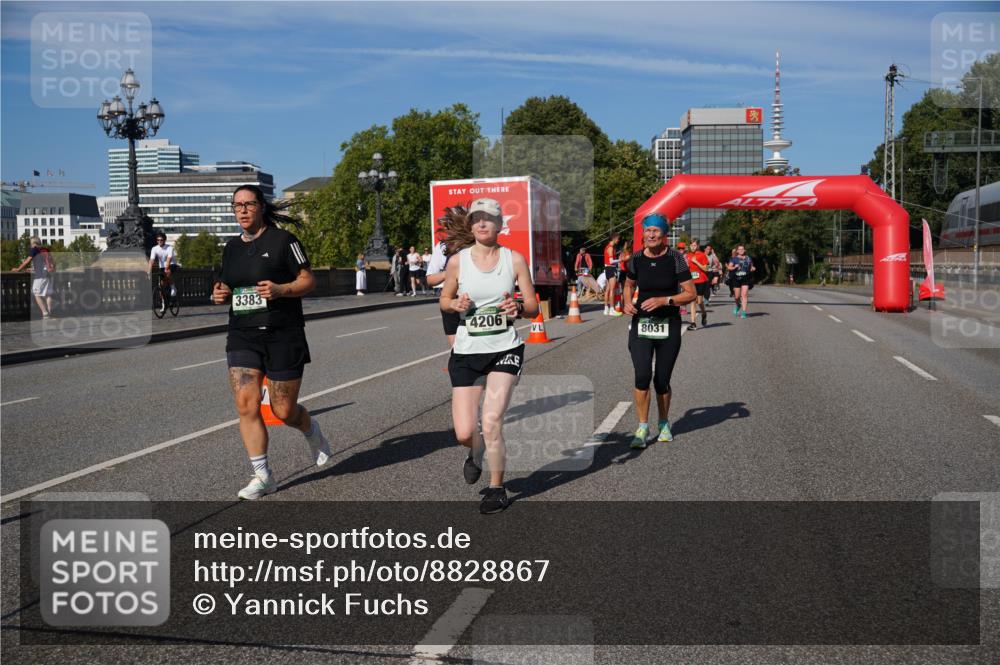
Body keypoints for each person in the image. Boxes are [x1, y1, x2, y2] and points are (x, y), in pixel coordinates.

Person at [211, 185, 331, 500]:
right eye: (237, 205)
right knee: (245, 404)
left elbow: (308, 280)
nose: (242, 210)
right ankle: (263, 476)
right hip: (242, 334)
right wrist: (219, 293)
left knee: (282, 410)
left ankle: (310, 429)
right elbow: (225, 284)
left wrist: (281, 290)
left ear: (261, 207)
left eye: (249, 204)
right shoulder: (231, 247)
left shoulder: (283, 241)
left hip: (282, 333)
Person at [439, 197, 539, 514]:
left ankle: (496, 488)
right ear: (471, 225)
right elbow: (444, 297)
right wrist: (454, 305)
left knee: (492, 419)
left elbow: (535, 307)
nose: (482, 223)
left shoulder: (515, 260)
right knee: (465, 432)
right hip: (467, 351)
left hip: (504, 348)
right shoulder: (458, 261)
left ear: (500, 225)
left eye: (489, 218)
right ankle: (475, 451)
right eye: (477, 218)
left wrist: (519, 308)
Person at [622, 213, 696, 449]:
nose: (651, 235)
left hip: (669, 325)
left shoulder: (676, 259)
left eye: (656, 231)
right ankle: (642, 427)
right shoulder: (635, 259)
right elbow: (628, 284)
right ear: (643, 234)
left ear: (665, 235)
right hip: (642, 323)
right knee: (642, 375)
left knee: (661, 380)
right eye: (648, 231)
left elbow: (691, 293)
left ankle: (663, 423)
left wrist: (665, 300)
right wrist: (626, 302)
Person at [426, 214, 459, 347]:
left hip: (475, 297)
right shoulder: (442, 246)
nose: (447, 230)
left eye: (450, 226)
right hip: (451, 297)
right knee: (456, 347)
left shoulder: (476, 243)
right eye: (446, 227)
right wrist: (449, 273)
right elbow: (430, 279)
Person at [13, 236, 55, 318]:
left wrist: (18, 269)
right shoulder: (45, 250)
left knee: (36, 293)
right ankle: (50, 312)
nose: (30, 245)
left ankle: (45, 313)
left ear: (34, 243)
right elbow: (47, 263)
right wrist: (33, 269)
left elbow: (27, 261)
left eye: (31, 243)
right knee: (48, 294)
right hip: (49, 275)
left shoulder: (34, 250)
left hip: (40, 276)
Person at [147, 231, 180, 303]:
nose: (159, 241)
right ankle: (164, 303)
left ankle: (173, 286)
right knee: (161, 285)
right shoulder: (154, 248)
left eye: (161, 240)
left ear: (164, 240)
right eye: (158, 240)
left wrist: (166, 268)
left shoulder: (169, 248)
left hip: (171, 264)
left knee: (167, 272)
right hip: (162, 266)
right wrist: (149, 271)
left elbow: (169, 259)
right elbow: (151, 260)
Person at [685, 239, 710, 330]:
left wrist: (696, 262)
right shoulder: (687, 256)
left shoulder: (702, 255)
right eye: (691, 245)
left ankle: (704, 313)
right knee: (693, 301)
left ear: (698, 246)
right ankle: (693, 323)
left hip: (701, 281)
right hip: (692, 282)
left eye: (694, 245)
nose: (693, 247)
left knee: (699, 302)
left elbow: (706, 269)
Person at [727, 244, 756, 318]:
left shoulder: (748, 258)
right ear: (737, 251)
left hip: (745, 278)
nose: (741, 250)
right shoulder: (734, 259)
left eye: (742, 249)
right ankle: (738, 305)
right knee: (737, 296)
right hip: (736, 279)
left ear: (744, 250)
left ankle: (744, 312)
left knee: (744, 295)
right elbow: (729, 267)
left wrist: (753, 268)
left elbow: (751, 267)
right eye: (739, 249)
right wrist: (734, 267)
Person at [603, 233, 621, 315]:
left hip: (607, 268)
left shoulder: (608, 247)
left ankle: (606, 308)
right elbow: (611, 261)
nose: (618, 240)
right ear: (614, 238)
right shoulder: (610, 248)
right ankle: (612, 309)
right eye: (618, 238)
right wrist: (621, 260)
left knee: (608, 289)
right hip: (611, 268)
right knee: (612, 290)